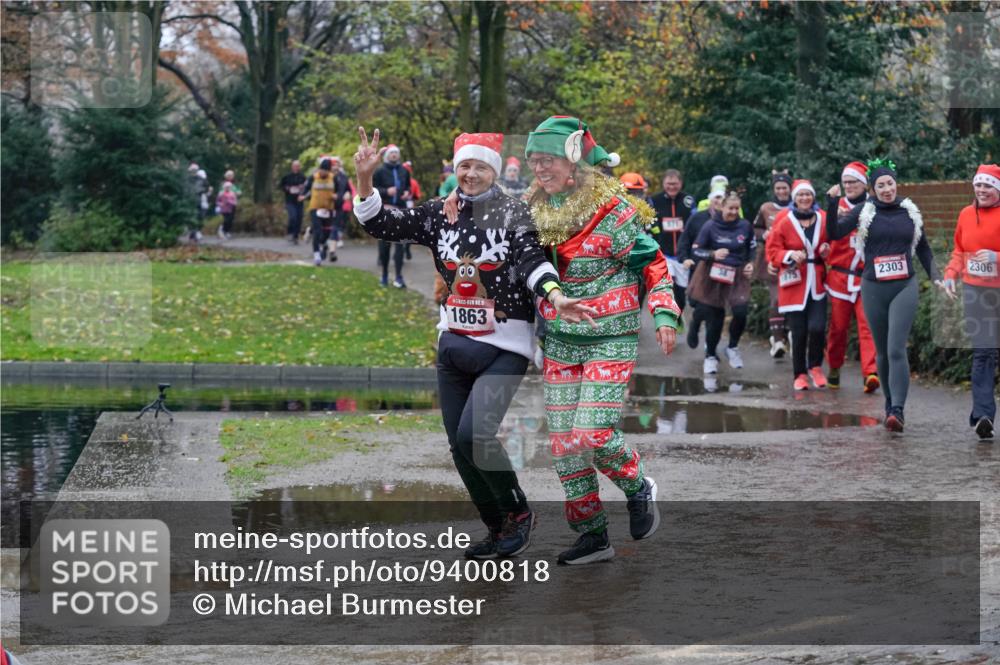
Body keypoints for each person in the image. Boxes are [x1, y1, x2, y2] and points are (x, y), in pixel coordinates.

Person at [352, 127, 597, 560]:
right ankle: (497, 528)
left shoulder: (513, 212)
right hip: (454, 347)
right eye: (464, 165)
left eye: (480, 166)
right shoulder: (437, 213)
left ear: (494, 171)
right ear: (455, 170)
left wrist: (555, 296)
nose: (470, 173)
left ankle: (519, 513)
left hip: (505, 347)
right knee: (460, 447)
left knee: (474, 435)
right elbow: (381, 224)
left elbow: (530, 259)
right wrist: (365, 179)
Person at [520, 116, 681, 564]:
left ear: (573, 163)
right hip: (559, 341)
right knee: (566, 448)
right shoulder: (535, 211)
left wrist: (664, 310)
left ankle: (637, 484)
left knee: (591, 432)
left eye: (547, 160)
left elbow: (654, 264)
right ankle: (593, 536)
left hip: (608, 336)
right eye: (534, 160)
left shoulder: (614, 211)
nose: (540, 168)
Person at [826, 159, 947, 432]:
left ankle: (898, 410)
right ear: (873, 188)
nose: (886, 189)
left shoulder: (910, 211)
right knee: (881, 351)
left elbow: (924, 248)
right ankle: (889, 406)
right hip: (873, 286)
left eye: (890, 184)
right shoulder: (863, 211)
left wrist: (937, 277)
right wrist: (832, 203)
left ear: (896, 184)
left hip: (904, 285)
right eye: (880, 185)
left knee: (895, 348)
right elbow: (833, 233)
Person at [942, 164, 1000, 440]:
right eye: (978, 186)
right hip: (976, 291)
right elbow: (959, 250)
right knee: (984, 353)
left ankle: (982, 414)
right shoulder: (966, 214)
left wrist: (996, 258)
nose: (982, 190)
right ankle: (983, 416)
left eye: (987, 186)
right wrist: (951, 274)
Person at [766, 180, 831, 390]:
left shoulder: (823, 218)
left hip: (817, 281)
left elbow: (834, 243)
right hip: (793, 282)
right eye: (800, 195)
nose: (804, 198)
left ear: (813, 197)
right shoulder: (784, 221)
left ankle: (815, 366)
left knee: (818, 327)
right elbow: (773, 250)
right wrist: (788, 254)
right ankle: (800, 374)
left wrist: (826, 250)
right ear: (794, 198)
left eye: (808, 195)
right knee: (799, 331)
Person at [825, 161, 879, 392]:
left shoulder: (875, 207)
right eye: (845, 182)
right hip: (839, 278)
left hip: (865, 278)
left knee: (867, 327)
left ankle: (871, 373)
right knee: (838, 328)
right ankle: (835, 366)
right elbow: (824, 236)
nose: (848, 186)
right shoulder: (835, 206)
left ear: (864, 185)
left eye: (853, 182)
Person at [687, 191, 755, 374]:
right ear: (722, 207)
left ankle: (732, 347)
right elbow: (696, 250)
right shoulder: (710, 226)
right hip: (712, 275)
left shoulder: (745, 226)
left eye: (736, 208)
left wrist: (750, 264)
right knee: (713, 317)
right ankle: (710, 356)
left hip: (737, 274)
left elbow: (751, 249)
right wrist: (713, 254)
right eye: (730, 208)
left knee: (741, 311)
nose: (733, 212)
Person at [679, 186, 725, 350]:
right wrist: (684, 258)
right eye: (716, 198)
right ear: (710, 201)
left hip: (722, 271)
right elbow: (685, 240)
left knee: (716, 308)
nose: (719, 202)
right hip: (698, 267)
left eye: (722, 199)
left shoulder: (732, 221)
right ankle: (696, 322)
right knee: (698, 304)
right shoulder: (698, 218)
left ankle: (710, 348)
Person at [753, 170, 792, 359]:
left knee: (791, 299)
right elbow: (755, 229)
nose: (782, 191)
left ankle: (789, 334)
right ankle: (777, 340)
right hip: (771, 259)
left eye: (784, 188)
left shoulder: (798, 205)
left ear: (790, 188)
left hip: (792, 261)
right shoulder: (766, 207)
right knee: (776, 298)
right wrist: (763, 235)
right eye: (778, 188)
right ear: (774, 189)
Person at [649, 169, 696, 312]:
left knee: (681, 294)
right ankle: (667, 317)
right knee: (669, 287)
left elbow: (695, 223)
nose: (672, 187)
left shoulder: (689, 200)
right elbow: (649, 223)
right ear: (663, 183)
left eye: (675, 184)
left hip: (683, 255)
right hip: (664, 253)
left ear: (680, 183)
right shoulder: (654, 200)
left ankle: (678, 314)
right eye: (669, 184)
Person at [372, 144, 411, 287]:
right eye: (392, 153)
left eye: (396, 153)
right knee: (385, 245)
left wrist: (407, 193)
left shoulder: (404, 171)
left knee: (400, 244)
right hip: (385, 211)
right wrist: (386, 192)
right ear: (387, 156)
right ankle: (384, 275)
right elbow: (372, 189)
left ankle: (399, 277)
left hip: (401, 211)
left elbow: (408, 186)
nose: (394, 155)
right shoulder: (380, 171)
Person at [300, 157, 339, 265]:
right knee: (318, 231)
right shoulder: (313, 177)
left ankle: (315, 236)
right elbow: (306, 188)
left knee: (326, 233)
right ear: (319, 169)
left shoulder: (333, 178)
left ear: (329, 171)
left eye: (326, 170)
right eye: (322, 170)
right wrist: (303, 195)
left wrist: (337, 196)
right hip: (315, 207)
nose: (323, 172)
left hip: (328, 208)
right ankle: (316, 254)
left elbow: (338, 190)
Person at [279, 160, 306, 244]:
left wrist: (302, 188)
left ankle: (296, 235)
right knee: (293, 217)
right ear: (292, 167)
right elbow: (281, 186)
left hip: (299, 200)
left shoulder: (302, 177)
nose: (296, 168)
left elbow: (307, 187)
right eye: (295, 166)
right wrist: (287, 188)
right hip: (290, 200)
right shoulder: (287, 177)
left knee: (299, 217)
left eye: (298, 166)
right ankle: (290, 232)